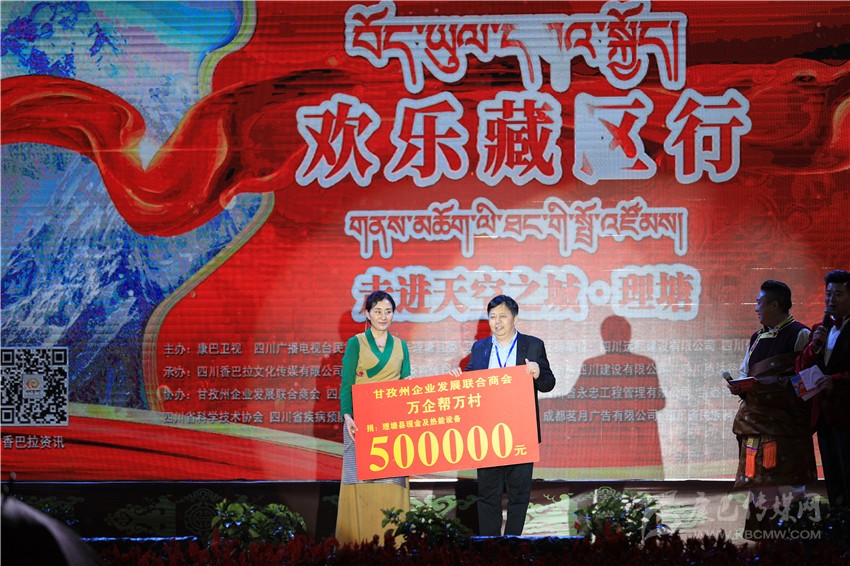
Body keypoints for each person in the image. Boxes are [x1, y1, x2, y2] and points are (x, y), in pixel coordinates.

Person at [451, 295, 556, 536]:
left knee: (519, 495)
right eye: (492, 317)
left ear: (515, 319)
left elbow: (548, 383)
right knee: (488, 494)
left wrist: (538, 373)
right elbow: (469, 381)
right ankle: (490, 546)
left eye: (502, 316)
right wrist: (458, 378)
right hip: (487, 431)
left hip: (521, 431)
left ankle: (512, 545)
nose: (497, 322)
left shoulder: (533, 345)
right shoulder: (480, 347)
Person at [728, 280, 814, 536]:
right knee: (760, 486)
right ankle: (765, 544)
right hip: (755, 424)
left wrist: (769, 387)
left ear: (774, 305)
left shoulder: (800, 334)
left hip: (787, 426)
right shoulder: (756, 338)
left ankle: (796, 543)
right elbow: (746, 373)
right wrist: (740, 386)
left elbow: (807, 380)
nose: (756, 308)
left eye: (759, 302)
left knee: (789, 486)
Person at [335, 290, 411, 545]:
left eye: (388, 312)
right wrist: (347, 416)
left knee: (392, 484)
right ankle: (357, 544)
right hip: (359, 423)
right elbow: (347, 384)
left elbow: (406, 383)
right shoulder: (356, 343)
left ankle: (394, 544)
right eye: (377, 311)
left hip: (391, 424)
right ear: (367, 314)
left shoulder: (401, 346)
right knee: (360, 483)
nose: (383, 316)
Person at [563, 315, 665, 477]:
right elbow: (659, 403)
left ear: (604, 337)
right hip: (638, 447)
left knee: (604, 488)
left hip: (605, 448)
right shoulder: (645, 363)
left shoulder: (593, 365)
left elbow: (574, 402)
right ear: (628, 336)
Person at [796, 269, 850, 508]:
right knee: (833, 476)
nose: (831, 300)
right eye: (828, 294)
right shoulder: (821, 328)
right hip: (825, 415)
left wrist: (835, 380)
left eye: (838, 294)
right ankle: (839, 524)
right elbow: (801, 367)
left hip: (847, 413)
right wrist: (814, 346)